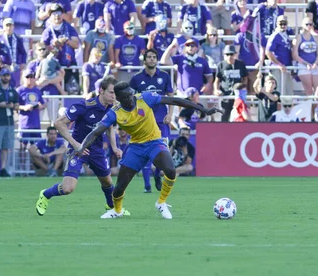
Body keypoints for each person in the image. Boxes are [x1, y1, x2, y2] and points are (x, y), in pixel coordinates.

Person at [75, 81, 222, 219]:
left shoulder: (144, 98)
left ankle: (161, 202)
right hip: (136, 147)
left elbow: (175, 101)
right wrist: (81, 147)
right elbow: (95, 132)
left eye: (131, 93)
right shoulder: (115, 113)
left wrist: (203, 109)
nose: (131, 98)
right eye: (126, 96)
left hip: (154, 141)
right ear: (119, 99)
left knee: (170, 170)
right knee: (119, 188)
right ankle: (117, 211)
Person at [36, 77, 123, 215]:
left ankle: (112, 207)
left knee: (107, 182)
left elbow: (110, 127)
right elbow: (59, 123)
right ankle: (45, 194)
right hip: (77, 150)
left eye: (115, 93)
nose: (114, 96)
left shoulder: (112, 109)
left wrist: (114, 147)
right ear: (101, 90)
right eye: (111, 92)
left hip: (96, 150)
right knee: (67, 189)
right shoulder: (84, 106)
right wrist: (76, 144)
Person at [129, 48, 174, 192]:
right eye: (149, 57)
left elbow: (171, 97)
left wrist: (170, 114)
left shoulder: (165, 76)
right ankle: (147, 185)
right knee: (145, 152)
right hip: (143, 121)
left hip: (161, 119)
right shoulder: (136, 78)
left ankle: (157, 173)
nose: (152, 59)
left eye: (154, 57)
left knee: (164, 150)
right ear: (144, 60)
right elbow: (129, 99)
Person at [214, 45, 248, 121]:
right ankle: (224, 132)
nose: (230, 56)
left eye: (231, 54)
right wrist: (216, 90)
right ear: (224, 55)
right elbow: (217, 81)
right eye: (227, 54)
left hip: (238, 95)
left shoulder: (240, 64)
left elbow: (245, 78)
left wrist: (243, 87)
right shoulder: (221, 65)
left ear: (235, 54)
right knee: (225, 115)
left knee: (239, 116)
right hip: (226, 95)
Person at [292, 16, 318, 95]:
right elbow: (295, 54)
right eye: (307, 24)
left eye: (310, 24)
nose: (309, 26)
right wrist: (306, 64)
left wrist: (315, 63)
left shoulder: (315, 37)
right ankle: (310, 107)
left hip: (314, 65)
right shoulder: (298, 37)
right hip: (303, 65)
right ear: (302, 25)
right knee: (309, 91)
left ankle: (317, 107)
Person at [16, 70, 46, 145]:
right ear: (23, 78)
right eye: (27, 77)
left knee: (37, 147)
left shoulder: (37, 90)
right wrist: (24, 107)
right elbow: (14, 106)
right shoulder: (19, 90)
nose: (30, 79)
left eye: (31, 77)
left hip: (36, 123)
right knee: (22, 147)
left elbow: (44, 104)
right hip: (24, 124)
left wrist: (41, 106)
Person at [266, 15, 293, 94]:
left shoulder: (286, 34)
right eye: (281, 23)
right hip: (278, 68)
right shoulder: (275, 36)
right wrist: (279, 64)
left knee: (288, 92)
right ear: (276, 24)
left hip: (286, 67)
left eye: (285, 23)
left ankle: (287, 106)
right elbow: (268, 52)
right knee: (279, 92)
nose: (283, 25)